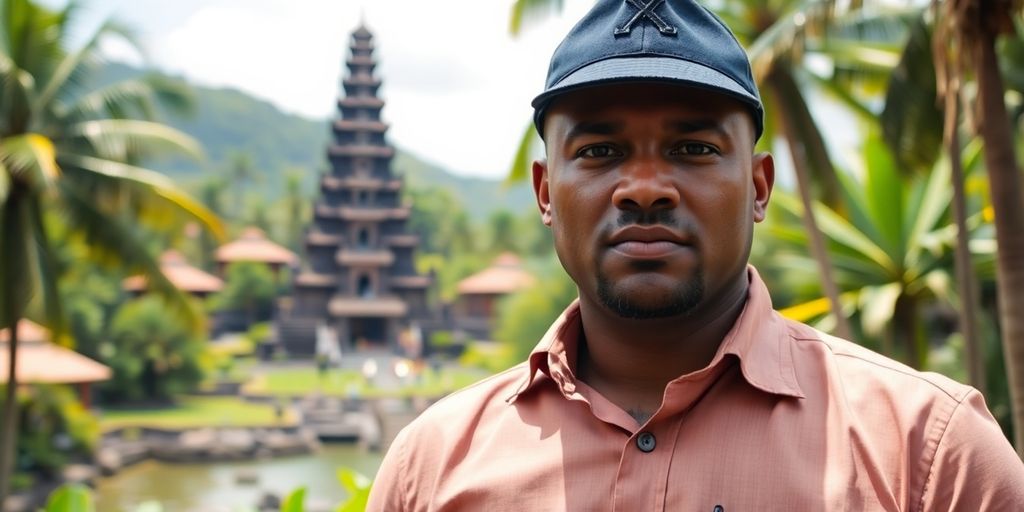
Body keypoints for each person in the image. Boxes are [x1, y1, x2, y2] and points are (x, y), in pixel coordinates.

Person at [367, 0, 1024, 510]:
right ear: (545, 191)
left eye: (694, 149)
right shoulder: (432, 471)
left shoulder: (929, 455)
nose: (645, 188)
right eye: (599, 151)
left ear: (760, 187)